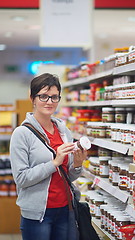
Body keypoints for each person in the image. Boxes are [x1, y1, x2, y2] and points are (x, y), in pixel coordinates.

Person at [10, 73, 87, 240]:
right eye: (43, 96)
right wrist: (54, 162)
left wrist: (77, 165)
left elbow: (69, 176)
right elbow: (21, 178)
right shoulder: (22, 134)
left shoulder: (63, 130)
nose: (49, 102)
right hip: (38, 215)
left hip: (66, 209)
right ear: (33, 98)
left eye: (54, 97)